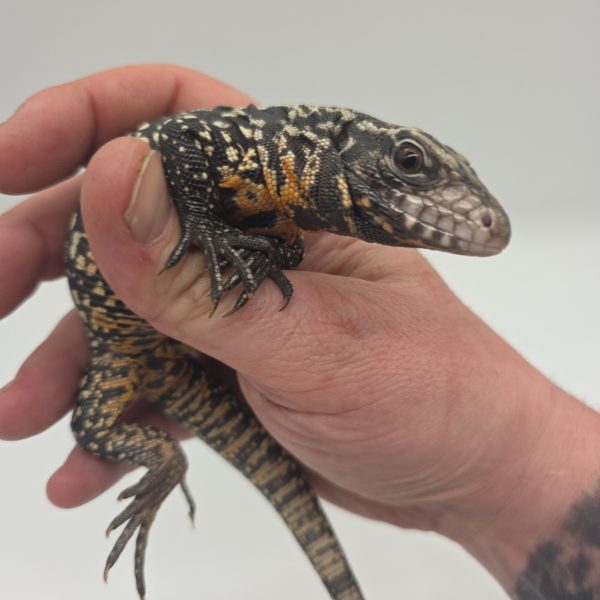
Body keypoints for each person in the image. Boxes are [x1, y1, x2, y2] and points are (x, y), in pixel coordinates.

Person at [0, 65, 597, 598]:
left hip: (183, 351)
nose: (479, 215)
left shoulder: (282, 199)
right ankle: (163, 462)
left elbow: (278, 241)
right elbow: (176, 143)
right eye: (411, 164)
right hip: (122, 352)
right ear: (336, 143)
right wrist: (200, 227)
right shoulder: (247, 151)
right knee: (93, 426)